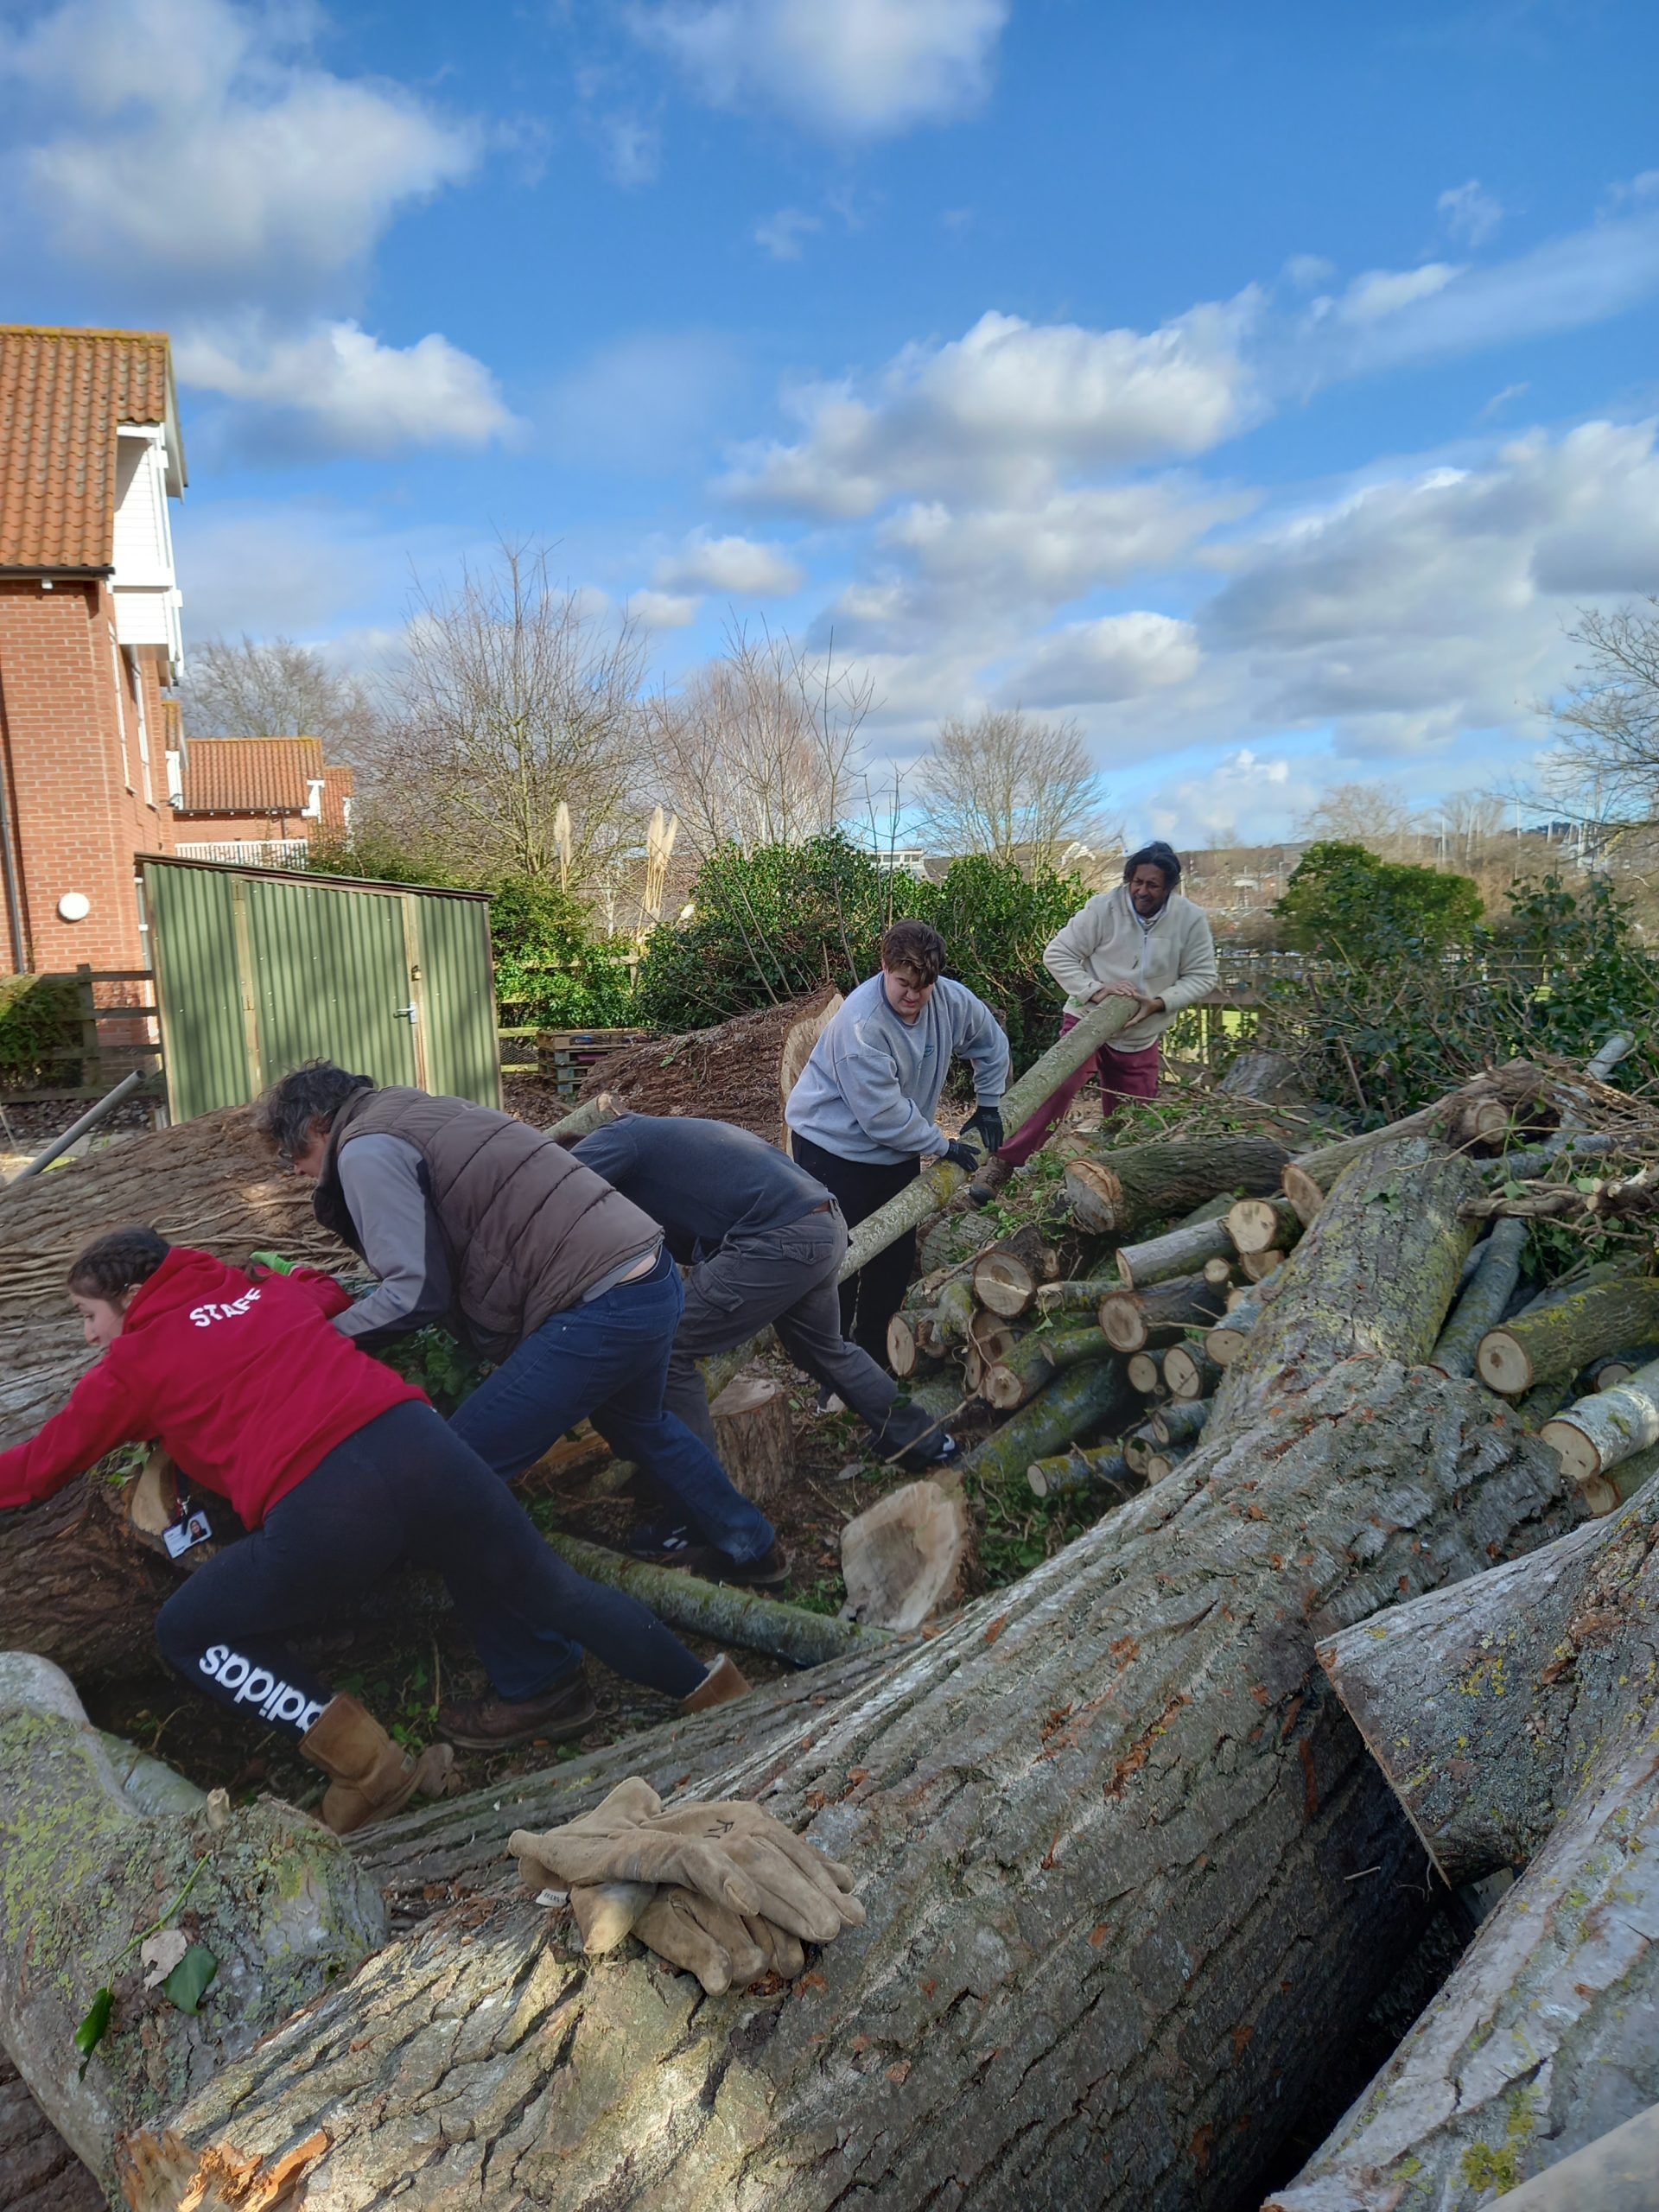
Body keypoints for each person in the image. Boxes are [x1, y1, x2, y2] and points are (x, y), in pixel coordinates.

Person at [0, 1230, 746, 1821]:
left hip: (327, 1508)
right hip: (424, 1447)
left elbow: (39, 1468)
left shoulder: (132, 1365)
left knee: (188, 1632)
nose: (90, 1337)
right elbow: (321, 1289)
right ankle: (713, 1693)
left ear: (130, 1299)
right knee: (552, 1589)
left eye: (88, 1317)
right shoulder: (265, 1296)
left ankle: (367, 1766)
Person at [255, 1063, 785, 1622]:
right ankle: (751, 1549)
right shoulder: (416, 1110)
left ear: (318, 1126)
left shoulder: (365, 1150)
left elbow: (415, 1292)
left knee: (456, 1467)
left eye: (293, 1154)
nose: (294, 1171)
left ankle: (541, 1661)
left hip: (599, 1301)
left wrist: (319, 1344)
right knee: (641, 1425)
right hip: (646, 1275)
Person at [570, 1109, 962, 1489]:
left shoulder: (616, 1138)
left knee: (668, 1345)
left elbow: (556, 1193)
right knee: (826, 1351)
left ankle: (699, 1509)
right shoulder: (662, 1161)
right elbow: (677, 1256)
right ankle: (924, 1441)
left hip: (780, 1235)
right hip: (821, 1222)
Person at [785, 920, 1010, 1366]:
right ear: (884, 967)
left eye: (923, 987)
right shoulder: (861, 1025)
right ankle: (832, 1364)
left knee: (893, 1256)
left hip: (895, 1148)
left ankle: (875, 1353)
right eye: (903, 984)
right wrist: (941, 1145)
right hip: (831, 1146)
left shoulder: (949, 1000)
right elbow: (883, 1117)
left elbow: (991, 1042)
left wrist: (988, 1105)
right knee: (840, 1257)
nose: (913, 996)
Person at [973, 841, 1217, 1198]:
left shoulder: (1190, 920)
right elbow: (1057, 953)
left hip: (1140, 1033)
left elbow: (1203, 976)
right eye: (1136, 881)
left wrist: (1161, 1002)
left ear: (1169, 887)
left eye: (1152, 885)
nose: (1141, 891)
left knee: (1133, 1117)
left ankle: (1118, 1186)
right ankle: (1002, 1164)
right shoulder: (1104, 909)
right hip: (1087, 1020)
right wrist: (1095, 990)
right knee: (1056, 1089)